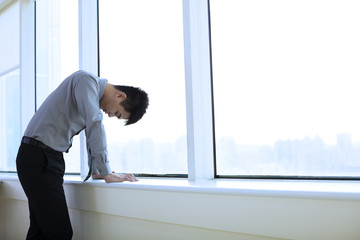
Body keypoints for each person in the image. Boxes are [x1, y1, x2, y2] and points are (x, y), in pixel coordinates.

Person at [16, 70, 149, 240]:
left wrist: (97, 171)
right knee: (59, 233)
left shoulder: (88, 93)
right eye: (116, 114)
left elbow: (89, 131)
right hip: (39, 157)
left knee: (40, 231)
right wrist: (107, 171)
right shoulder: (86, 80)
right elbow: (94, 123)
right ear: (120, 96)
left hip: (44, 157)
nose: (109, 115)